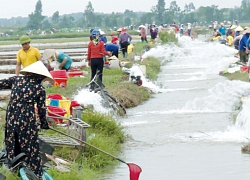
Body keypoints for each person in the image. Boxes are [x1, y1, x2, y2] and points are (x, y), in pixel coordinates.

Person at [0, 61, 52, 179]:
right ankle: (32, 167)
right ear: (40, 76)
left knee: (12, 138)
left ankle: (12, 165)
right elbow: (41, 109)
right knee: (30, 142)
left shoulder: (16, 80)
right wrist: (44, 124)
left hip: (12, 115)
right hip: (26, 118)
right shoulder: (39, 88)